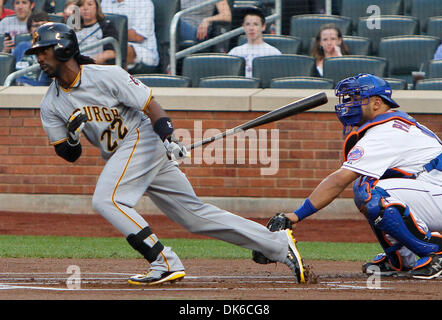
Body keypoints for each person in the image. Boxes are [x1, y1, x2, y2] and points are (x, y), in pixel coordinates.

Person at [26, 22, 305, 285]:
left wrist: (168, 138)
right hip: (122, 155)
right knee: (194, 217)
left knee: (106, 200)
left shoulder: (106, 75)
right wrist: (73, 137)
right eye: (37, 52)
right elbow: (68, 153)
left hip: (142, 138)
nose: (39, 58)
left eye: (44, 51)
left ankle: (164, 261)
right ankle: (277, 244)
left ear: (64, 48)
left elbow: (151, 106)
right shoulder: (51, 103)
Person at [255, 73, 442, 280]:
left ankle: (435, 253)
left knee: (371, 193)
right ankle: (403, 259)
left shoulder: (385, 132)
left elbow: (339, 180)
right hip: (435, 191)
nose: (349, 104)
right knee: (368, 186)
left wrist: (296, 215)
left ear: (377, 103)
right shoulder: (390, 125)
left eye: (357, 98)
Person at [101, 0, 159, 69]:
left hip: (143, 50)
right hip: (109, 44)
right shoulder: (105, 2)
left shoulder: (144, 2)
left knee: (118, 51)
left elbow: (138, 36)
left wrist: (107, 33)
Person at [227, 7, 281, 78]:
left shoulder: (273, 53)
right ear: (243, 26)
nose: (251, 28)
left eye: (255, 24)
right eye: (248, 24)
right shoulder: (235, 52)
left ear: (263, 27)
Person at [12, 10, 51, 86]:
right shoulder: (21, 47)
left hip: (39, 90)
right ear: (29, 30)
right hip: (18, 88)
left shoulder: (53, 48)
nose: (39, 29)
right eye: (36, 26)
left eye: (43, 25)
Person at [75, 0, 118, 65]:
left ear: (97, 8)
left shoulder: (106, 26)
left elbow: (111, 53)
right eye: (81, 5)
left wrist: (91, 61)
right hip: (73, 66)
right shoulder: (72, 27)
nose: (85, 8)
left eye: (90, 4)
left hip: (94, 66)